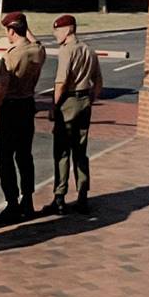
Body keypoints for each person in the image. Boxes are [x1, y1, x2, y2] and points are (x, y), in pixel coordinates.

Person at [0, 12, 46, 225]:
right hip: (27, 104)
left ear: (11, 31)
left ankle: (12, 203)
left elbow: (1, 88)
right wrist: (25, 28)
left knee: (5, 157)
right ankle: (27, 200)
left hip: (11, 107)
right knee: (24, 155)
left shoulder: (11, 55)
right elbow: (35, 40)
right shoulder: (38, 51)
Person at [43, 15, 102, 215]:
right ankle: (83, 195)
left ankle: (59, 196)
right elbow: (98, 82)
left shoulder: (67, 51)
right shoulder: (89, 50)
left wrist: (53, 105)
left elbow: (61, 82)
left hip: (68, 101)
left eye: (57, 30)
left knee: (62, 150)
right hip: (85, 100)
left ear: (67, 30)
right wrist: (89, 100)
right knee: (80, 149)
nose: (55, 34)